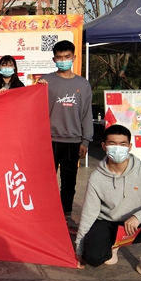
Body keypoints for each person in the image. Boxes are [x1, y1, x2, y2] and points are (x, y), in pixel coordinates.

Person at [75, 124, 141, 281]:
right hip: (109, 223)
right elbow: (89, 213)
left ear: (130, 146)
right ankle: (113, 245)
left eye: (122, 144)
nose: (118, 148)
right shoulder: (96, 178)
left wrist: (139, 216)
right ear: (104, 146)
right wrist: (79, 249)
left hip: (136, 224)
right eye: (112, 143)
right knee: (93, 258)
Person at [39, 40, 93, 233]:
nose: (63, 60)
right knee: (46, 182)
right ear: (54, 59)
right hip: (49, 141)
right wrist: (38, 88)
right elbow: (34, 107)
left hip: (73, 141)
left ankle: (66, 215)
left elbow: (86, 114)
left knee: (69, 183)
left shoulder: (83, 84)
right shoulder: (45, 81)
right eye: (59, 57)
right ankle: (45, 216)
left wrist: (86, 140)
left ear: (74, 57)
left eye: (67, 57)